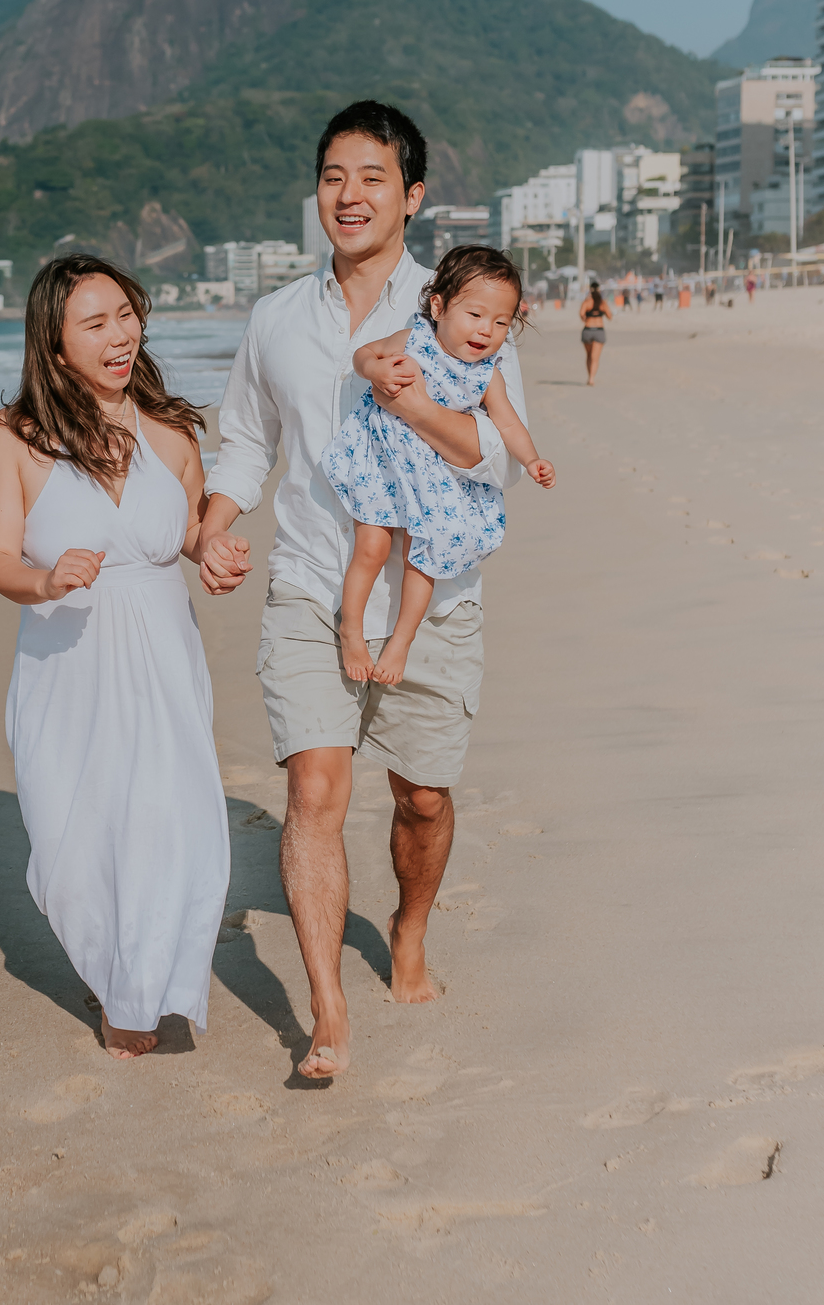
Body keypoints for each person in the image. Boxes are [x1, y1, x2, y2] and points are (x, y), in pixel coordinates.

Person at [196, 101, 530, 1080]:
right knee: (313, 789)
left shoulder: (463, 305)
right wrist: (213, 525)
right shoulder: (275, 320)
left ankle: (409, 928)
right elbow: (246, 443)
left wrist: (409, 398)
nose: (350, 194)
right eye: (334, 175)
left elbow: (495, 457)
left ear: (412, 195)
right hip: (310, 583)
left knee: (421, 798)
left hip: (432, 594)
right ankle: (328, 1012)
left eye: (373, 177)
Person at [0, 256, 244, 1059]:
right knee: (77, 838)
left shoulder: (171, 429)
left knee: (168, 821)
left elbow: (187, 527)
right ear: (55, 345)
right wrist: (44, 578)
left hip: (162, 656)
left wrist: (212, 551)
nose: (120, 334)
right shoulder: (15, 437)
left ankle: (137, 995)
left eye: (126, 315)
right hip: (67, 661)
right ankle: (109, 965)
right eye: (95, 323)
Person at [324, 246, 555, 686]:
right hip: (383, 459)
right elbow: (363, 354)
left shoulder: (488, 374)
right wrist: (376, 371)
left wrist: (533, 460)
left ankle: (401, 640)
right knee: (371, 547)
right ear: (438, 307)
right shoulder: (413, 340)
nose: (486, 330)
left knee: (424, 558)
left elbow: (509, 424)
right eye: (475, 314)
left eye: (501, 322)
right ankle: (351, 628)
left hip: (431, 477)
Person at [580, 279, 613, 384]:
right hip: (599, 330)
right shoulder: (602, 303)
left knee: (589, 355)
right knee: (595, 357)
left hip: (588, 329)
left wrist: (587, 318)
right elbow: (610, 316)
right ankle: (591, 379)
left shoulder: (586, 302)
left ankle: (589, 376)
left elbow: (581, 315)